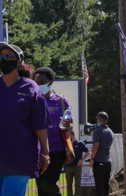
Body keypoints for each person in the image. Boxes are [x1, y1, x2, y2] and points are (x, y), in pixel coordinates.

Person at [0, 42, 50, 196]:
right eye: (0, 56)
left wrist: (45, 153)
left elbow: (40, 124)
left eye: (8, 56)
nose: (3, 59)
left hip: (19, 157)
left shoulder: (31, 88)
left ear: (19, 60)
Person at [34, 67, 72, 196]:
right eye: (36, 82)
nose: (38, 85)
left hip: (56, 149)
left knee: (49, 183)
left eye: (41, 82)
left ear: (50, 82)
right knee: (40, 184)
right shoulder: (33, 101)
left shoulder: (61, 101)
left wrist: (68, 124)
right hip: (37, 150)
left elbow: (69, 124)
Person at [90, 112, 114, 196]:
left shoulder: (98, 131)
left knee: (99, 185)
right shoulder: (110, 132)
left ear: (99, 120)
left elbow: (96, 146)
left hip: (99, 161)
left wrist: (92, 158)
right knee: (106, 185)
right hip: (108, 161)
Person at [62, 129, 89, 196]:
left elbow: (88, 152)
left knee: (77, 184)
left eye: (69, 135)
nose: (68, 137)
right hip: (68, 166)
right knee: (69, 185)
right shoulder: (66, 144)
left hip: (77, 166)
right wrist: (62, 165)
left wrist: (82, 160)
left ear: (72, 135)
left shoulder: (80, 143)